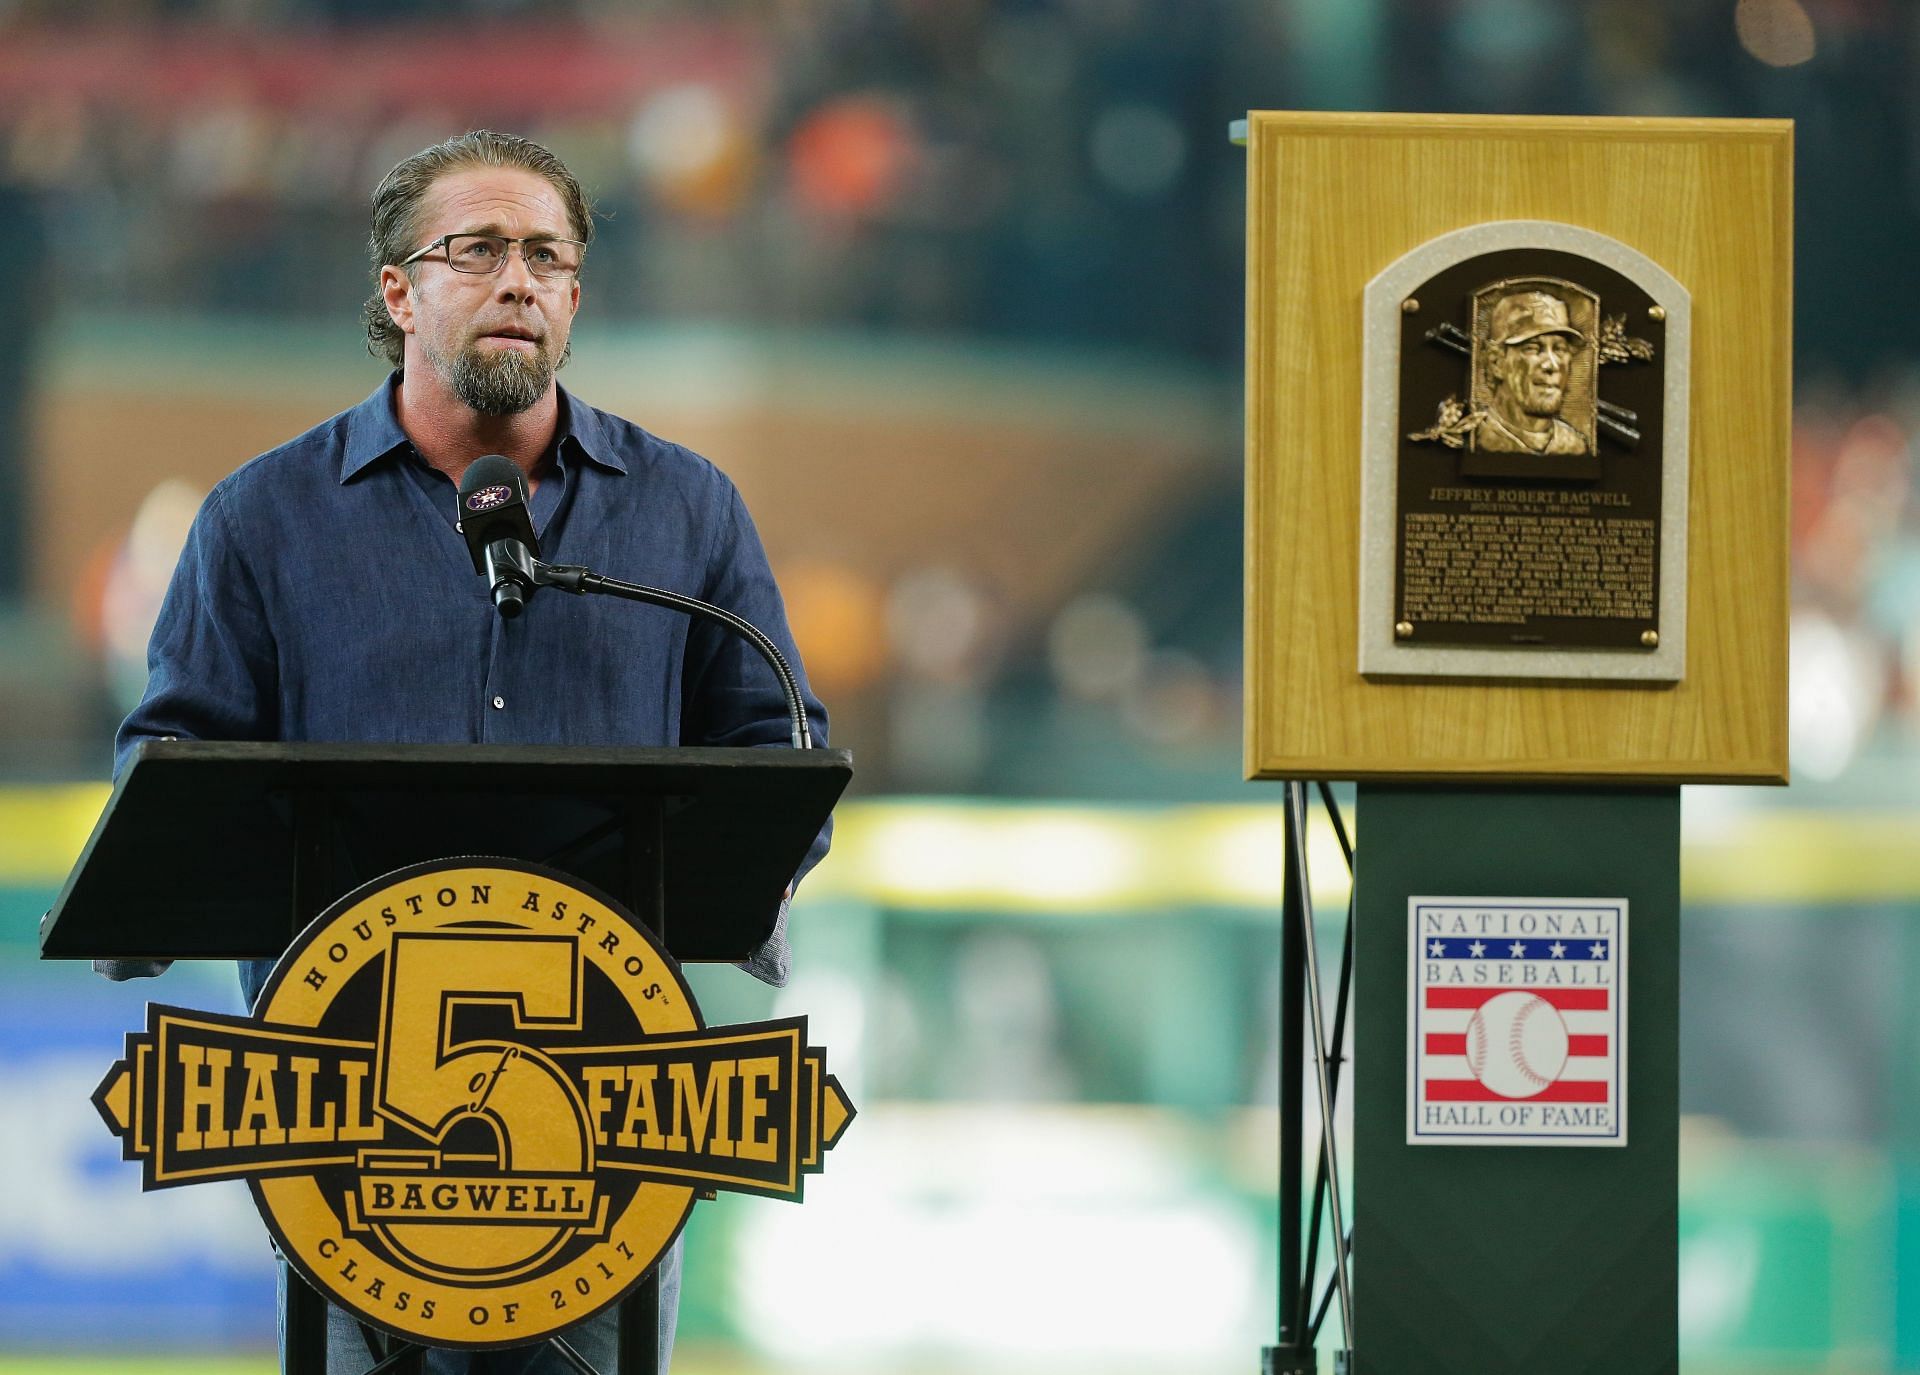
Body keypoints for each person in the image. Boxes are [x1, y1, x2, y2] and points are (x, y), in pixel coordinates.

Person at [108, 130, 830, 1374]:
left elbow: (778, 754)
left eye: (548, 256)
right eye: (480, 250)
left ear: (576, 296)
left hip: (611, 1116)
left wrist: (748, 862)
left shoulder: (686, 508)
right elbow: (171, 768)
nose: (520, 281)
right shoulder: (261, 519)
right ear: (398, 293)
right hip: (347, 1121)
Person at [1472, 289, 1591, 456]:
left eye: (1559, 349)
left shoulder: (1576, 445)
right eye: (1533, 348)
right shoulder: (1474, 437)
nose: (1552, 365)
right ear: (1496, 363)